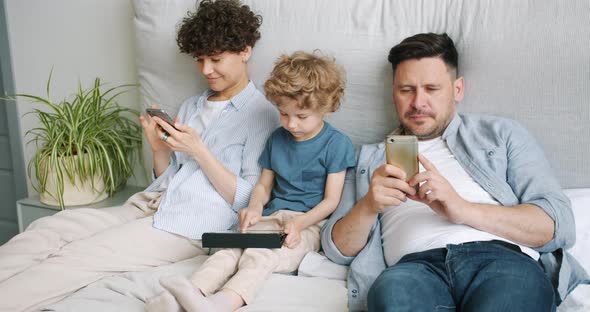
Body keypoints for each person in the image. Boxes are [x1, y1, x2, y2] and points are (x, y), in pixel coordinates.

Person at [0, 0, 279, 311]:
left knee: (77, 257)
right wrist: (158, 150)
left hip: (188, 224)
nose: (206, 70)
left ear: (245, 51)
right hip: (150, 205)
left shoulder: (262, 116)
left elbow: (249, 200)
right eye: (199, 60)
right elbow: (167, 178)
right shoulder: (192, 105)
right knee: (49, 230)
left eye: (215, 59)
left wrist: (200, 151)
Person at [321, 32, 588, 312]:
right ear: (393, 93)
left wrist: (461, 209)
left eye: (432, 89)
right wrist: (368, 206)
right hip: (412, 271)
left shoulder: (502, 135)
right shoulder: (365, 157)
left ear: (457, 89)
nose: (418, 102)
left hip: (501, 262)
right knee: (391, 295)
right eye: (406, 89)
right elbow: (336, 248)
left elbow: (558, 226)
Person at [145, 51, 356, 312]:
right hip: (270, 217)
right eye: (283, 114)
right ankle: (186, 297)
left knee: (259, 257)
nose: (291, 124)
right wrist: (254, 208)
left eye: (301, 117)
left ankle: (220, 304)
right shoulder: (277, 138)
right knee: (228, 250)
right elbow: (264, 186)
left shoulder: (336, 144)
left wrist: (298, 224)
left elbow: (331, 200)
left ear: (327, 107)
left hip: (308, 225)